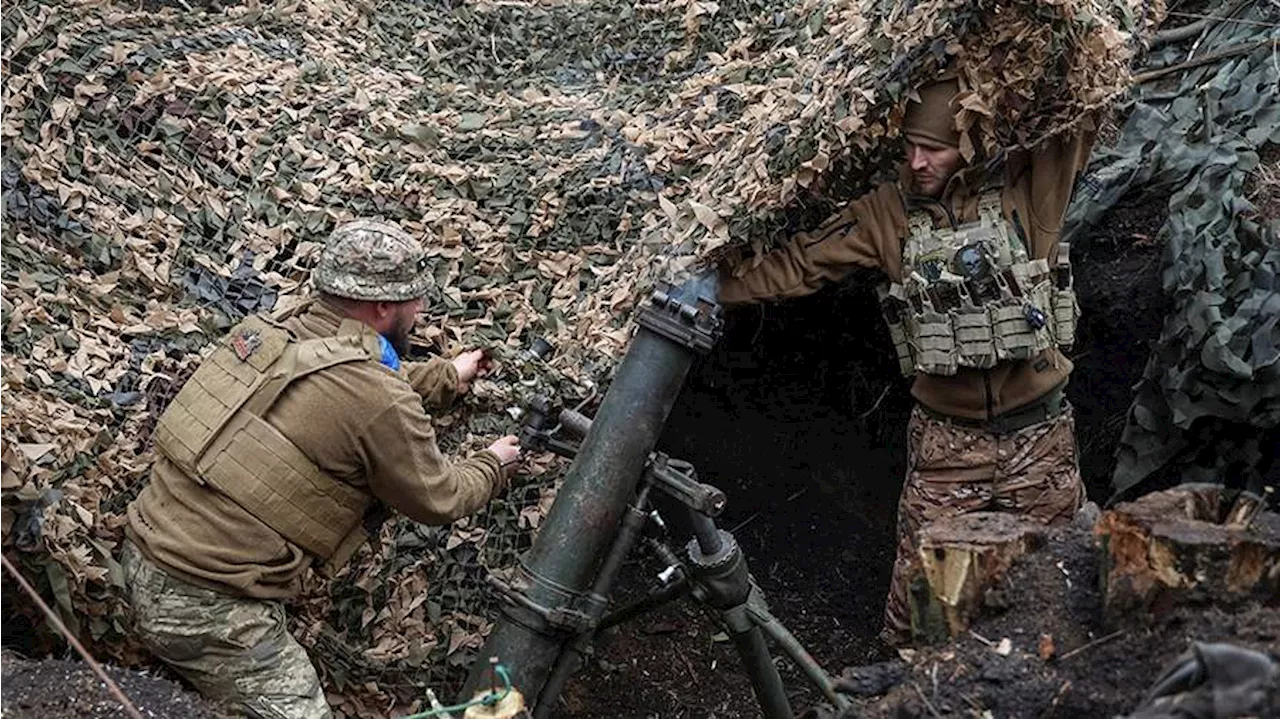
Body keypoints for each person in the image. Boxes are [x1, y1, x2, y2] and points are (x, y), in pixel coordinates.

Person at [717, 72, 1095, 645]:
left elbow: (1084, 100)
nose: (917, 162)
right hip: (947, 446)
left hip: (1040, 444)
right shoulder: (886, 214)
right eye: (909, 147)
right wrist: (706, 288)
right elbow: (798, 264)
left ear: (968, 144)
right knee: (920, 607)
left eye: (934, 148)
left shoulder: (1030, 188)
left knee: (1063, 587)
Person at [121, 219, 521, 717]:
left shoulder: (274, 330)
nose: (420, 312)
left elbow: (344, 386)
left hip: (138, 557)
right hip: (208, 609)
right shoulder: (378, 398)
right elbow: (438, 498)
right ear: (382, 307)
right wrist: (493, 464)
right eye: (415, 301)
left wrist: (447, 375)